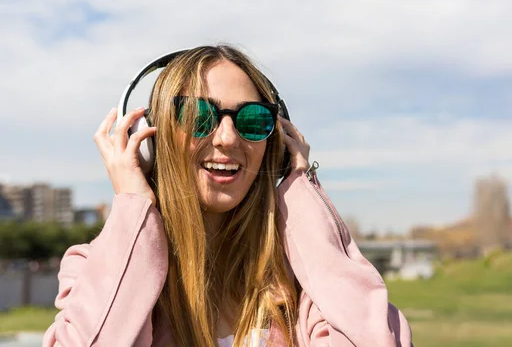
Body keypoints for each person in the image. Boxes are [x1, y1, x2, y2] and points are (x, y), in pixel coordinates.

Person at [43, 45, 413, 346]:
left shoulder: (302, 286)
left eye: (252, 120)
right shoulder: (91, 269)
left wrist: (299, 184)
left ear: (276, 145)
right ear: (150, 139)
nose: (226, 138)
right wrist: (133, 207)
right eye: (199, 117)